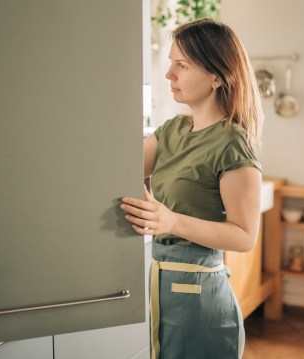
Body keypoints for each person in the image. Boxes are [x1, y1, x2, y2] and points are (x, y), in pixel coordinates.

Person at [119, 18, 263, 359]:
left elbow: (245, 236)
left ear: (217, 76)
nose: (169, 75)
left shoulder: (232, 143)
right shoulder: (172, 130)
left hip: (202, 301)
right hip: (160, 287)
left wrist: (171, 222)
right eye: (170, 63)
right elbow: (117, 171)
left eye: (181, 65)